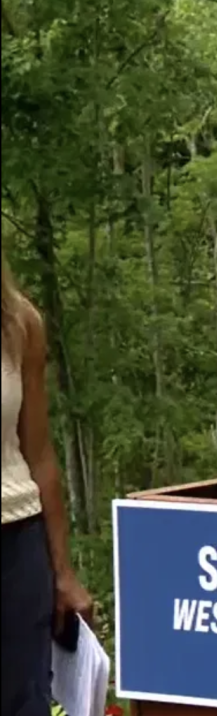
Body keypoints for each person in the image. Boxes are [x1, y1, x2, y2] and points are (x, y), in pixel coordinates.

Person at [2, 256, 94, 716]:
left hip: (18, 544)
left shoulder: (19, 323)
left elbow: (39, 453)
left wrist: (63, 572)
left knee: (25, 703)